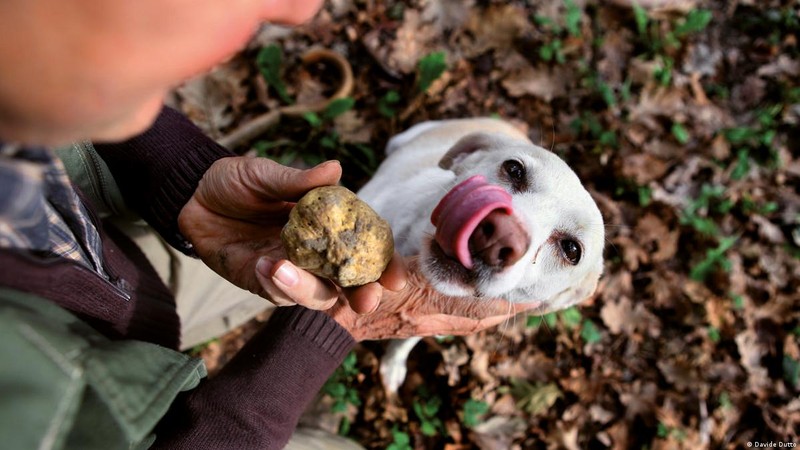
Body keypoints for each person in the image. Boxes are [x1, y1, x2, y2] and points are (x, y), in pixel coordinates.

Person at [0, 0, 537, 449]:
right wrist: (325, 338)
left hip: (103, 280)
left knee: (276, 275)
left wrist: (181, 179)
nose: (300, 10)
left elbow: (51, 64)